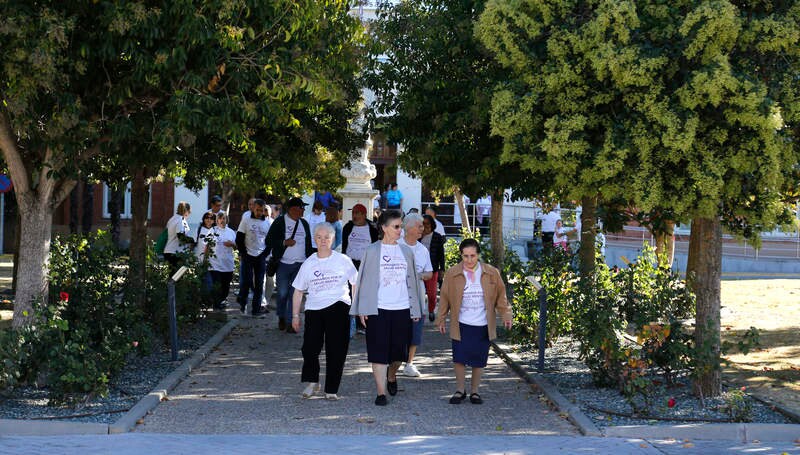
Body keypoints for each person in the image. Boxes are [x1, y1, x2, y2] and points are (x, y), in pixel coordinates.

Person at [350, 210, 424, 406]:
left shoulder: (406, 252)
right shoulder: (372, 250)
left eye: (400, 226)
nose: (400, 230)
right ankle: (380, 392)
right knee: (378, 351)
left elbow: (414, 282)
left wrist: (416, 309)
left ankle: (392, 375)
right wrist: (362, 308)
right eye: (397, 227)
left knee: (399, 354)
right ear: (384, 228)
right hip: (378, 309)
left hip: (402, 309)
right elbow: (364, 280)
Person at [436, 238, 512, 405]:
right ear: (461, 256)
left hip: (482, 323)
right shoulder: (453, 273)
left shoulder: (491, 272)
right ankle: (460, 390)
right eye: (465, 256)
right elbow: (445, 297)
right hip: (461, 322)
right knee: (459, 358)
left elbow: (501, 296)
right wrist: (440, 318)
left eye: (472, 256)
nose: (469, 260)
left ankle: (475, 391)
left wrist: (506, 314)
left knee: (479, 358)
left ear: (478, 255)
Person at [291, 223, 358, 401]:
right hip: (314, 308)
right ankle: (312, 382)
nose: (323, 241)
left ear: (333, 239)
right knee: (310, 348)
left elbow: (355, 283)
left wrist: (356, 306)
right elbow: (298, 290)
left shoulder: (343, 260)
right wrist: (295, 315)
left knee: (336, 349)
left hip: (339, 306)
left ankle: (331, 388)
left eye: (326, 237)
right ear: (314, 239)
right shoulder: (309, 263)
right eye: (319, 237)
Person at [266, 197, 313, 333]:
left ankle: (290, 322)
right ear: (293, 209)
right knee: (282, 293)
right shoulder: (280, 222)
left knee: (295, 294)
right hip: (283, 264)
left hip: (300, 265)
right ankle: (281, 315)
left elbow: (308, 244)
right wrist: (284, 242)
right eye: (301, 207)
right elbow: (269, 241)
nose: (304, 210)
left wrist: (311, 262)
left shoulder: (304, 224)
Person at [398, 213, 433, 378]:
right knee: (396, 328)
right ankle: (394, 360)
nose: (422, 229)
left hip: (417, 294)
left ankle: (409, 363)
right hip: (396, 296)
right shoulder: (395, 246)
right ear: (409, 227)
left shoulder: (422, 250)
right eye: (419, 226)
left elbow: (429, 272)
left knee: (415, 330)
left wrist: (419, 275)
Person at [342, 203, 380, 336]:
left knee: (365, 293)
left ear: (364, 215)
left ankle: (363, 323)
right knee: (352, 294)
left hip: (366, 264)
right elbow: (344, 246)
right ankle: (352, 323)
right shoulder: (348, 227)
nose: (355, 216)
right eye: (353, 213)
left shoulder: (372, 228)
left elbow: (377, 247)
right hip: (350, 263)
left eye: (358, 213)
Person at [236, 199, 272, 317]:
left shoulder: (267, 223)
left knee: (259, 283)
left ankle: (256, 309)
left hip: (260, 256)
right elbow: (239, 239)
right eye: (257, 210)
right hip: (248, 255)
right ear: (253, 208)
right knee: (246, 282)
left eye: (262, 210)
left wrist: (264, 255)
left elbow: (269, 243)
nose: (259, 212)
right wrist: (243, 253)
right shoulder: (246, 220)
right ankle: (243, 304)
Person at [209, 212, 236, 310]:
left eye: (224, 218)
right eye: (220, 218)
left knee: (225, 286)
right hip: (215, 263)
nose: (222, 220)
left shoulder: (231, 232)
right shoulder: (212, 230)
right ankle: (216, 304)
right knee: (217, 285)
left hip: (227, 264)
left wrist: (232, 244)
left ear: (226, 219)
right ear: (216, 220)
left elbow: (236, 247)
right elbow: (207, 245)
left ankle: (221, 301)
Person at [421, 214, 446, 322]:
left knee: (432, 294)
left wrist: (442, 269)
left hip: (433, 269)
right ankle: (420, 312)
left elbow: (441, 254)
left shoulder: (437, 237)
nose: (425, 226)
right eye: (423, 224)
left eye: (428, 224)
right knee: (419, 293)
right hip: (419, 270)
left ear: (432, 225)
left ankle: (431, 310)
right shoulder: (418, 236)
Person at [164, 201, 194, 274]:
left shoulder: (172, 219)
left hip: (169, 251)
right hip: (176, 252)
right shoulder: (181, 220)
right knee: (176, 277)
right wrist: (192, 240)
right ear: (186, 211)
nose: (189, 214)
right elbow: (181, 237)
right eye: (189, 212)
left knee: (172, 276)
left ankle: (170, 285)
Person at [195, 211, 217, 307]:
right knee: (199, 283)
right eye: (207, 217)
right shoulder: (199, 229)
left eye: (211, 218)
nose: (209, 220)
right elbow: (194, 243)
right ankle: (200, 303)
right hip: (198, 261)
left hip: (211, 263)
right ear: (204, 219)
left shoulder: (214, 230)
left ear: (213, 221)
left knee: (208, 283)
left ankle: (207, 303)